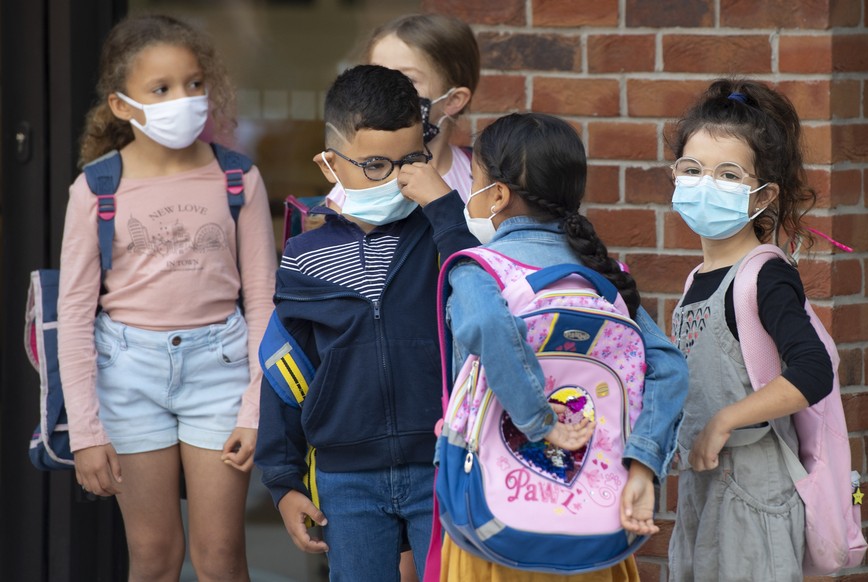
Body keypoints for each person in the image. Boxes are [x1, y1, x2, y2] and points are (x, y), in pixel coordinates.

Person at [58, 14, 276, 582]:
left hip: (220, 372)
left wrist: (256, 410)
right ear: (123, 105)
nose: (185, 99)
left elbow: (264, 304)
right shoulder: (96, 189)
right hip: (126, 374)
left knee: (221, 558)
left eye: (194, 83)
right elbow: (75, 318)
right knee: (153, 557)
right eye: (162, 89)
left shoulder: (239, 180)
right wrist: (86, 434)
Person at [436, 112, 688, 581]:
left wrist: (540, 421)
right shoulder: (604, 278)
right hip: (593, 524)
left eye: (473, 179)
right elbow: (669, 366)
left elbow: (490, 324)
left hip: (495, 520)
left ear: (497, 195)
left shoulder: (477, 269)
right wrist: (642, 465)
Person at [254, 64, 478, 582]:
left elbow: (478, 289)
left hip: (440, 464)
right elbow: (283, 370)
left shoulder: (444, 231)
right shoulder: (303, 257)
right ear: (331, 163)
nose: (396, 178)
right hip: (345, 478)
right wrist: (284, 481)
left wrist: (445, 208)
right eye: (374, 164)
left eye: (411, 162)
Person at [667, 79, 833, 581]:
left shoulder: (765, 274)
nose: (704, 183)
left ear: (764, 196)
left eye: (728, 174)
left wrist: (723, 422)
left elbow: (812, 371)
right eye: (692, 170)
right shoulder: (696, 279)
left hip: (752, 491)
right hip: (702, 489)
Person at [326, 13, 479, 212]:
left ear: (453, 100)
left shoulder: (478, 177)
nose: (388, 90)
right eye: (377, 76)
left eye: (407, 78)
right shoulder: (360, 181)